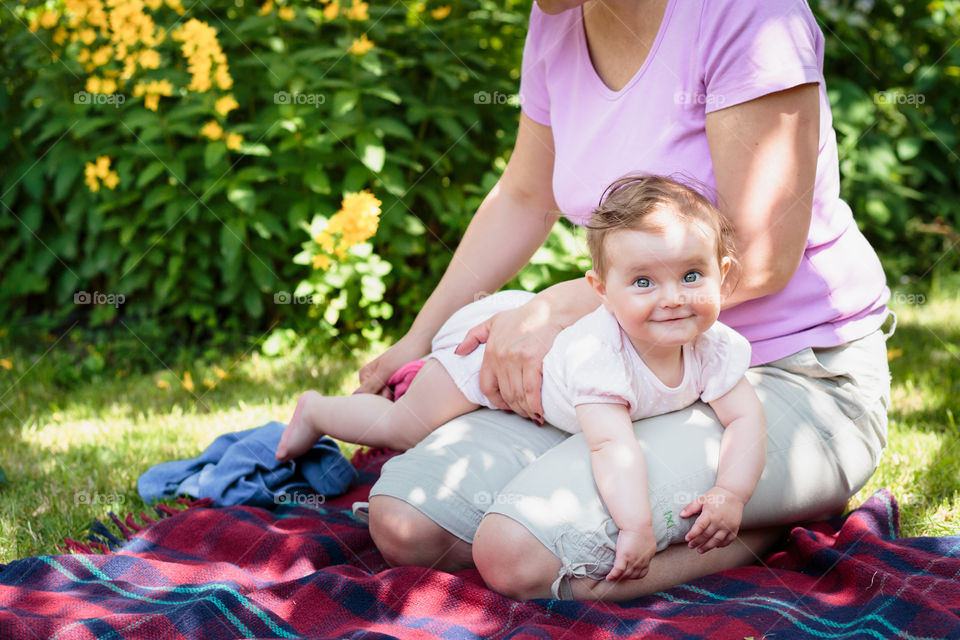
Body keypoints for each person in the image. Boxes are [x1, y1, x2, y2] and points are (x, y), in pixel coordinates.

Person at [353, 0, 895, 601]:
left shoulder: (746, 12)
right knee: (407, 522)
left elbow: (761, 256)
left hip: (791, 376)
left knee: (517, 556)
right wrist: (417, 338)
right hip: (635, 372)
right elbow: (525, 197)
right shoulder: (556, 17)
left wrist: (560, 308)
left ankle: (756, 522)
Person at [277, 175, 767, 586]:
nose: (673, 298)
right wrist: (635, 527)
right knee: (404, 425)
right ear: (601, 291)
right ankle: (318, 409)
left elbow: (744, 417)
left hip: (548, 390)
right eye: (643, 282)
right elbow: (612, 449)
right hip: (494, 357)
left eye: (691, 275)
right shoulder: (601, 356)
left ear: (723, 275)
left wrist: (731, 493)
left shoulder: (713, 345)